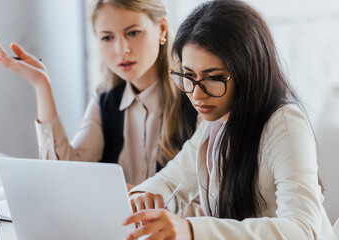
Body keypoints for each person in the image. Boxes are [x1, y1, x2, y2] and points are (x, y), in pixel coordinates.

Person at [122, 0, 337, 239]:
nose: (196, 94)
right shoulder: (214, 122)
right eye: (189, 75)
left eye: (213, 77)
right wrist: (143, 196)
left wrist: (192, 230)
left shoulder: (285, 126)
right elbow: (170, 180)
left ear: (248, 72)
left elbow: (302, 230)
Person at [0, 0, 198, 188]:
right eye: (107, 37)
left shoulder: (196, 98)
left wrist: (141, 199)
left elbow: (210, 204)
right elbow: (65, 176)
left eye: (133, 33)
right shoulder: (106, 99)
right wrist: (41, 85)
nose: (121, 49)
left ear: (161, 29)